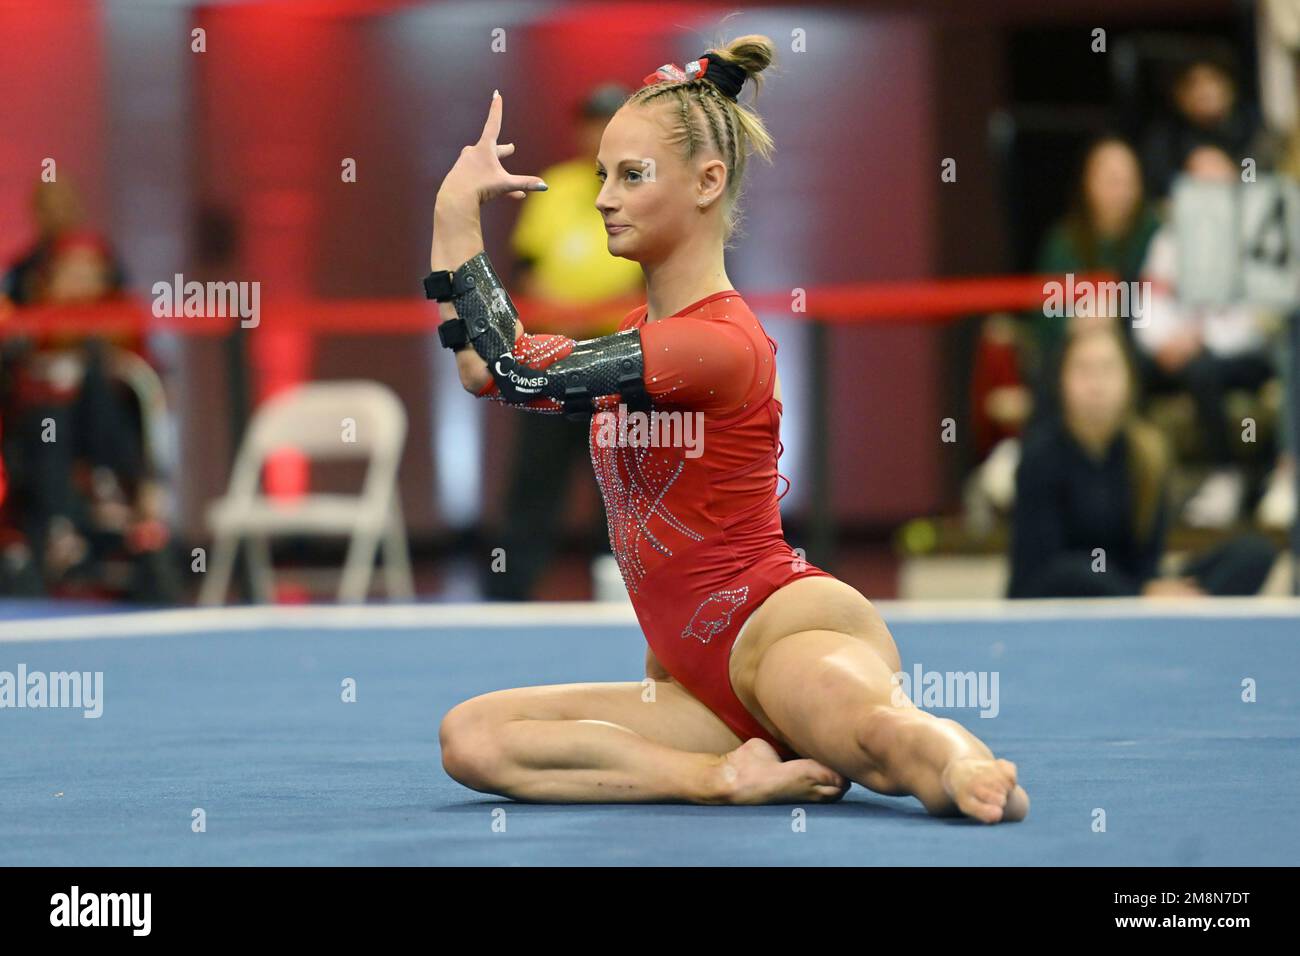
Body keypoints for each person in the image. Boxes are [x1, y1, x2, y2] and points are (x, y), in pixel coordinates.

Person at [426, 35, 1028, 822]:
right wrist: (451, 223)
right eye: (604, 175)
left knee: (878, 738)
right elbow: (481, 368)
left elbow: (518, 370)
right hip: (692, 679)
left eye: (631, 176)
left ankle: (963, 765)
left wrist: (451, 211)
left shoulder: (716, 342)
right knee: (471, 738)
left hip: (777, 632)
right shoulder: (647, 335)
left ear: (709, 182)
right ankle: (718, 778)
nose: (604, 197)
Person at [485, 83, 643, 600]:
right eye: (590, 121)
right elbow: (525, 270)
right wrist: (553, 311)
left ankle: (632, 590)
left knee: (625, 478)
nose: (597, 132)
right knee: (535, 479)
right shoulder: (553, 185)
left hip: (623, 359)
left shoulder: (647, 184)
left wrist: (615, 308)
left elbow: (660, 265)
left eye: (608, 121)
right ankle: (508, 596)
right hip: (557, 356)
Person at [1009, 323, 1276, 599]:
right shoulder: (1040, 456)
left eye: (1107, 369)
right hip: (1062, 604)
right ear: (1061, 380)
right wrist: (1138, 593)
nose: (1096, 383)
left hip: (1136, 601)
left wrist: (1159, 592)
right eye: (1084, 370)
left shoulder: (1146, 453)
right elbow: (1049, 569)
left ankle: (1191, 617)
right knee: (1074, 574)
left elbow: (1147, 561)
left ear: (1128, 379)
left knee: (1252, 553)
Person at [1135, 145, 1280, 529]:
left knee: (1205, 372)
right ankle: (1131, 482)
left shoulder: (1255, 237)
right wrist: (1164, 342)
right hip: (1178, 352)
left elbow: (1259, 319)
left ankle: (1226, 477)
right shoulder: (1169, 240)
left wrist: (1200, 338)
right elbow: (1149, 304)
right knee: (1125, 364)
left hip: (1244, 355)